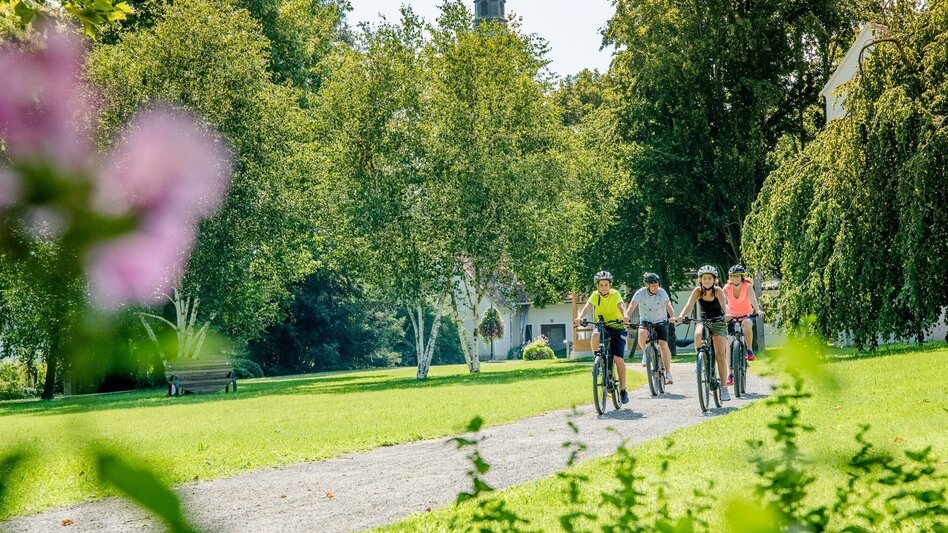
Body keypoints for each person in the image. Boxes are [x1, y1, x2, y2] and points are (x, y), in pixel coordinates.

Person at [677, 265, 732, 401]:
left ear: (714, 280)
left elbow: (724, 304)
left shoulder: (718, 291)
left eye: (709, 278)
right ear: (700, 279)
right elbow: (689, 305)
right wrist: (681, 315)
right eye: (704, 278)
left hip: (719, 322)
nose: (707, 280)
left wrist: (727, 314)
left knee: (720, 356)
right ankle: (700, 359)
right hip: (704, 321)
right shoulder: (697, 291)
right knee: (697, 334)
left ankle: (724, 388)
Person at [574, 271, 630, 404]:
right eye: (601, 285)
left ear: (610, 285)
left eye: (606, 285)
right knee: (594, 335)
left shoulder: (615, 294)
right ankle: (597, 360)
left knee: (618, 359)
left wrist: (625, 315)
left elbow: (620, 306)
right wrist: (580, 317)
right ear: (597, 287)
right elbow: (587, 307)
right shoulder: (595, 295)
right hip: (602, 325)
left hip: (617, 326)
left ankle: (623, 390)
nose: (604, 287)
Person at [624, 272, 679, 385]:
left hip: (661, 320)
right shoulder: (640, 293)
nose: (656, 287)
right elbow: (632, 306)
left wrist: (672, 316)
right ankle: (646, 353)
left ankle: (668, 374)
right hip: (646, 320)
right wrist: (626, 317)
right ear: (647, 285)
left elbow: (668, 304)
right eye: (653, 285)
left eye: (657, 285)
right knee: (642, 333)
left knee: (663, 344)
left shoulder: (661, 292)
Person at [724, 264, 765, 367]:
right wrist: (725, 313)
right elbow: (723, 303)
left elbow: (753, 299)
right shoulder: (726, 288)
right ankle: (730, 373)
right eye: (733, 276)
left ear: (741, 277)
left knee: (746, 323)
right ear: (730, 277)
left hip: (746, 315)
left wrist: (758, 310)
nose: (735, 278)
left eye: (738, 276)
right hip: (731, 316)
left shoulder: (747, 286)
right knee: (729, 342)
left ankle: (749, 349)